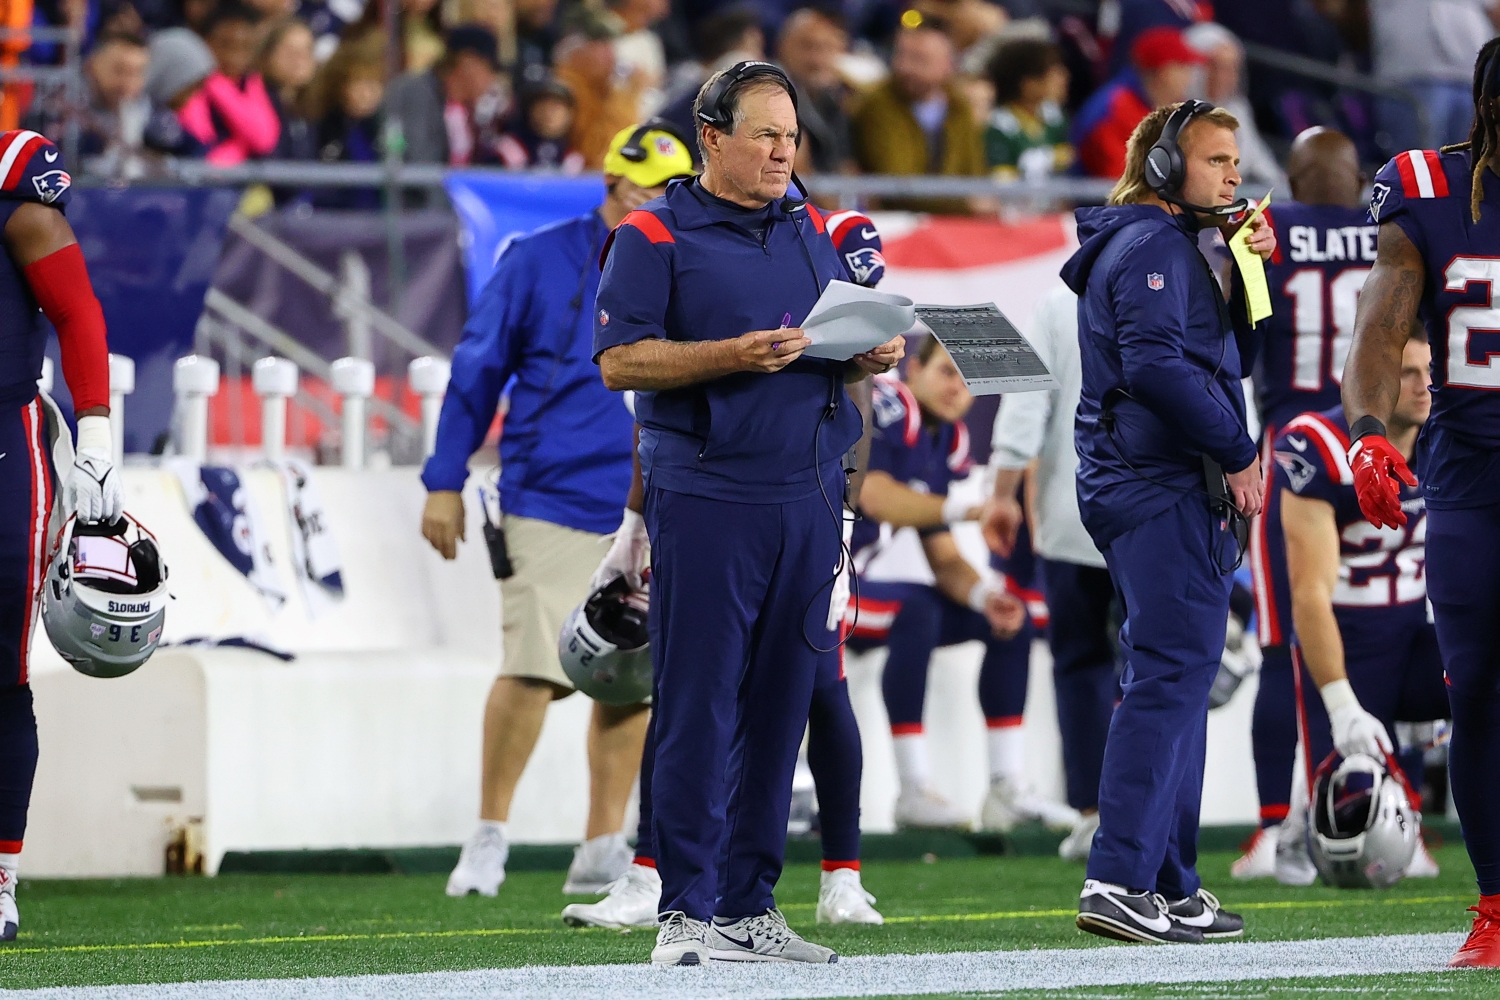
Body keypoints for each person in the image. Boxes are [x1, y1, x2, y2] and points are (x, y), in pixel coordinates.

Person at [592, 62, 904, 966]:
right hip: (709, 494)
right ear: (712, 138)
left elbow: (825, 344)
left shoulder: (810, 225)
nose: (782, 151)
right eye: (765, 134)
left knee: (781, 709)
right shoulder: (651, 233)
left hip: (807, 495)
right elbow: (620, 362)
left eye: (791, 135)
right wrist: (730, 354)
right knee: (697, 704)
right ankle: (684, 913)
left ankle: (747, 908)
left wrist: (866, 353)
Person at [419, 123, 694, 902]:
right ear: (612, 184)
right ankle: (488, 834)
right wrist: (444, 478)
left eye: (672, 194)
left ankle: (603, 843)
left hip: (643, 497)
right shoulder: (537, 259)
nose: (657, 206)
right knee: (536, 666)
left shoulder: (684, 265)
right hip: (548, 490)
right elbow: (478, 368)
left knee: (630, 675)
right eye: (645, 190)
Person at [1062, 99, 1275, 943]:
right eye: (1217, 159)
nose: (1233, 172)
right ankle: (1118, 879)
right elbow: (1155, 367)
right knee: (1166, 681)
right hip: (1159, 482)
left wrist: (1249, 271)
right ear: (1161, 168)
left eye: (1234, 159)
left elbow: (1236, 357)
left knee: (1177, 684)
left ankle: (1171, 883)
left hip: (1161, 481)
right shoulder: (1151, 244)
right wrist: (1236, 449)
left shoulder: (1183, 244)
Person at [1341, 38, 1500, 969]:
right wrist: (1366, 430)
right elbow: (1381, 320)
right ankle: (1494, 902)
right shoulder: (1427, 194)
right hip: (1475, 479)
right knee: (1477, 688)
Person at [1235, 127, 1377, 880]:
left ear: (1291, 178)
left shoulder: (1269, 223)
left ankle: (1272, 830)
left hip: (1293, 451)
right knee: (1386, 630)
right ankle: (1400, 816)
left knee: (1282, 641)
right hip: (1375, 444)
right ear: (1357, 178)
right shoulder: (1386, 223)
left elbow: (1242, 334)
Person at [0, 129, 123, 941]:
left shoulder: (13, 172)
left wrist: (98, 430)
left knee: (0, 672)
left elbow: (74, 303)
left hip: (2, 438)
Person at [845, 341, 1047, 831]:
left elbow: (944, 556)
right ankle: (913, 787)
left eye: (966, 379)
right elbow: (873, 496)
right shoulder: (891, 405)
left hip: (854, 581)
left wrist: (986, 598)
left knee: (1006, 619)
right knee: (916, 610)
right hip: (820, 583)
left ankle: (1006, 785)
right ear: (913, 369)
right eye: (945, 372)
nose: (956, 386)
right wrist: (973, 509)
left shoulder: (943, 439)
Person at [1272, 335, 1445, 886]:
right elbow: (1310, 593)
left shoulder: (1447, 436)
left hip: (1419, 627)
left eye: (1429, 370)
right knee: (1344, 798)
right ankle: (1295, 816)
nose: (1424, 386)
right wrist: (1342, 701)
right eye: (1409, 373)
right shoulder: (1317, 444)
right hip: (1348, 633)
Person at [985, 284, 1116, 862]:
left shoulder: (1062, 299)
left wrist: (1003, 491)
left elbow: (1024, 397)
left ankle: (1093, 813)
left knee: (1082, 669)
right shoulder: (1193, 281)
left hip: (1076, 514)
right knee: (1162, 674)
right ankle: (1156, 813)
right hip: (1166, 518)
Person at [851, 18, 984, 212]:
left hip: (952, 224)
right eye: (900, 56)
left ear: (948, 65)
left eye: (919, 59)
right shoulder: (877, 105)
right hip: (896, 222)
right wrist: (966, 203)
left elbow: (974, 174)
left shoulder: (959, 107)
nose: (905, 67)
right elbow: (898, 185)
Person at [1072, 26, 1204, 179]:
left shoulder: (1153, 105)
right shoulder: (1115, 109)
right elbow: (1120, 180)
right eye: (1183, 67)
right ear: (1164, 71)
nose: (1189, 78)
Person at [1369, 0, 1500, 154]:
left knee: (1468, 162)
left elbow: (1494, 9)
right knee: (1417, 166)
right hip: (1411, 74)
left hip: (1469, 76)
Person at [384, 24, 508, 167]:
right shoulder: (416, 93)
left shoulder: (462, 107)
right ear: (467, 63)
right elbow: (420, 165)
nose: (492, 80)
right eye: (490, 70)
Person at [179, 1, 282, 166]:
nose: (234, 57)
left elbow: (264, 141)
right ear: (205, 42)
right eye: (225, 45)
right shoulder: (188, 88)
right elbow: (200, 143)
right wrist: (212, 81)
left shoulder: (255, 84)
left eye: (245, 47)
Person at [553, 10, 644, 168]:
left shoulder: (615, 91)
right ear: (575, 50)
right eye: (600, 45)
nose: (610, 55)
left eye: (610, 45)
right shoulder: (561, 90)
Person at [777, 7, 855, 175]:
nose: (817, 60)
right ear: (783, 47)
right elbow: (796, 170)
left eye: (826, 48)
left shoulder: (834, 100)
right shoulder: (770, 94)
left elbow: (845, 163)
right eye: (807, 47)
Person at [983, 35, 1071, 180]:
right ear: (1028, 83)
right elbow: (1002, 181)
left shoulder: (1056, 119)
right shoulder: (997, 127)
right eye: (1052, 72)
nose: (1064, 77)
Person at [496, 78, 587, 172]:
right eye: (542, 106)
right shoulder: (508, 149)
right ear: (530, 110)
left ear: (569, 114)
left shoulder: (574, 158)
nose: (548, 113)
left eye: (555, 107)